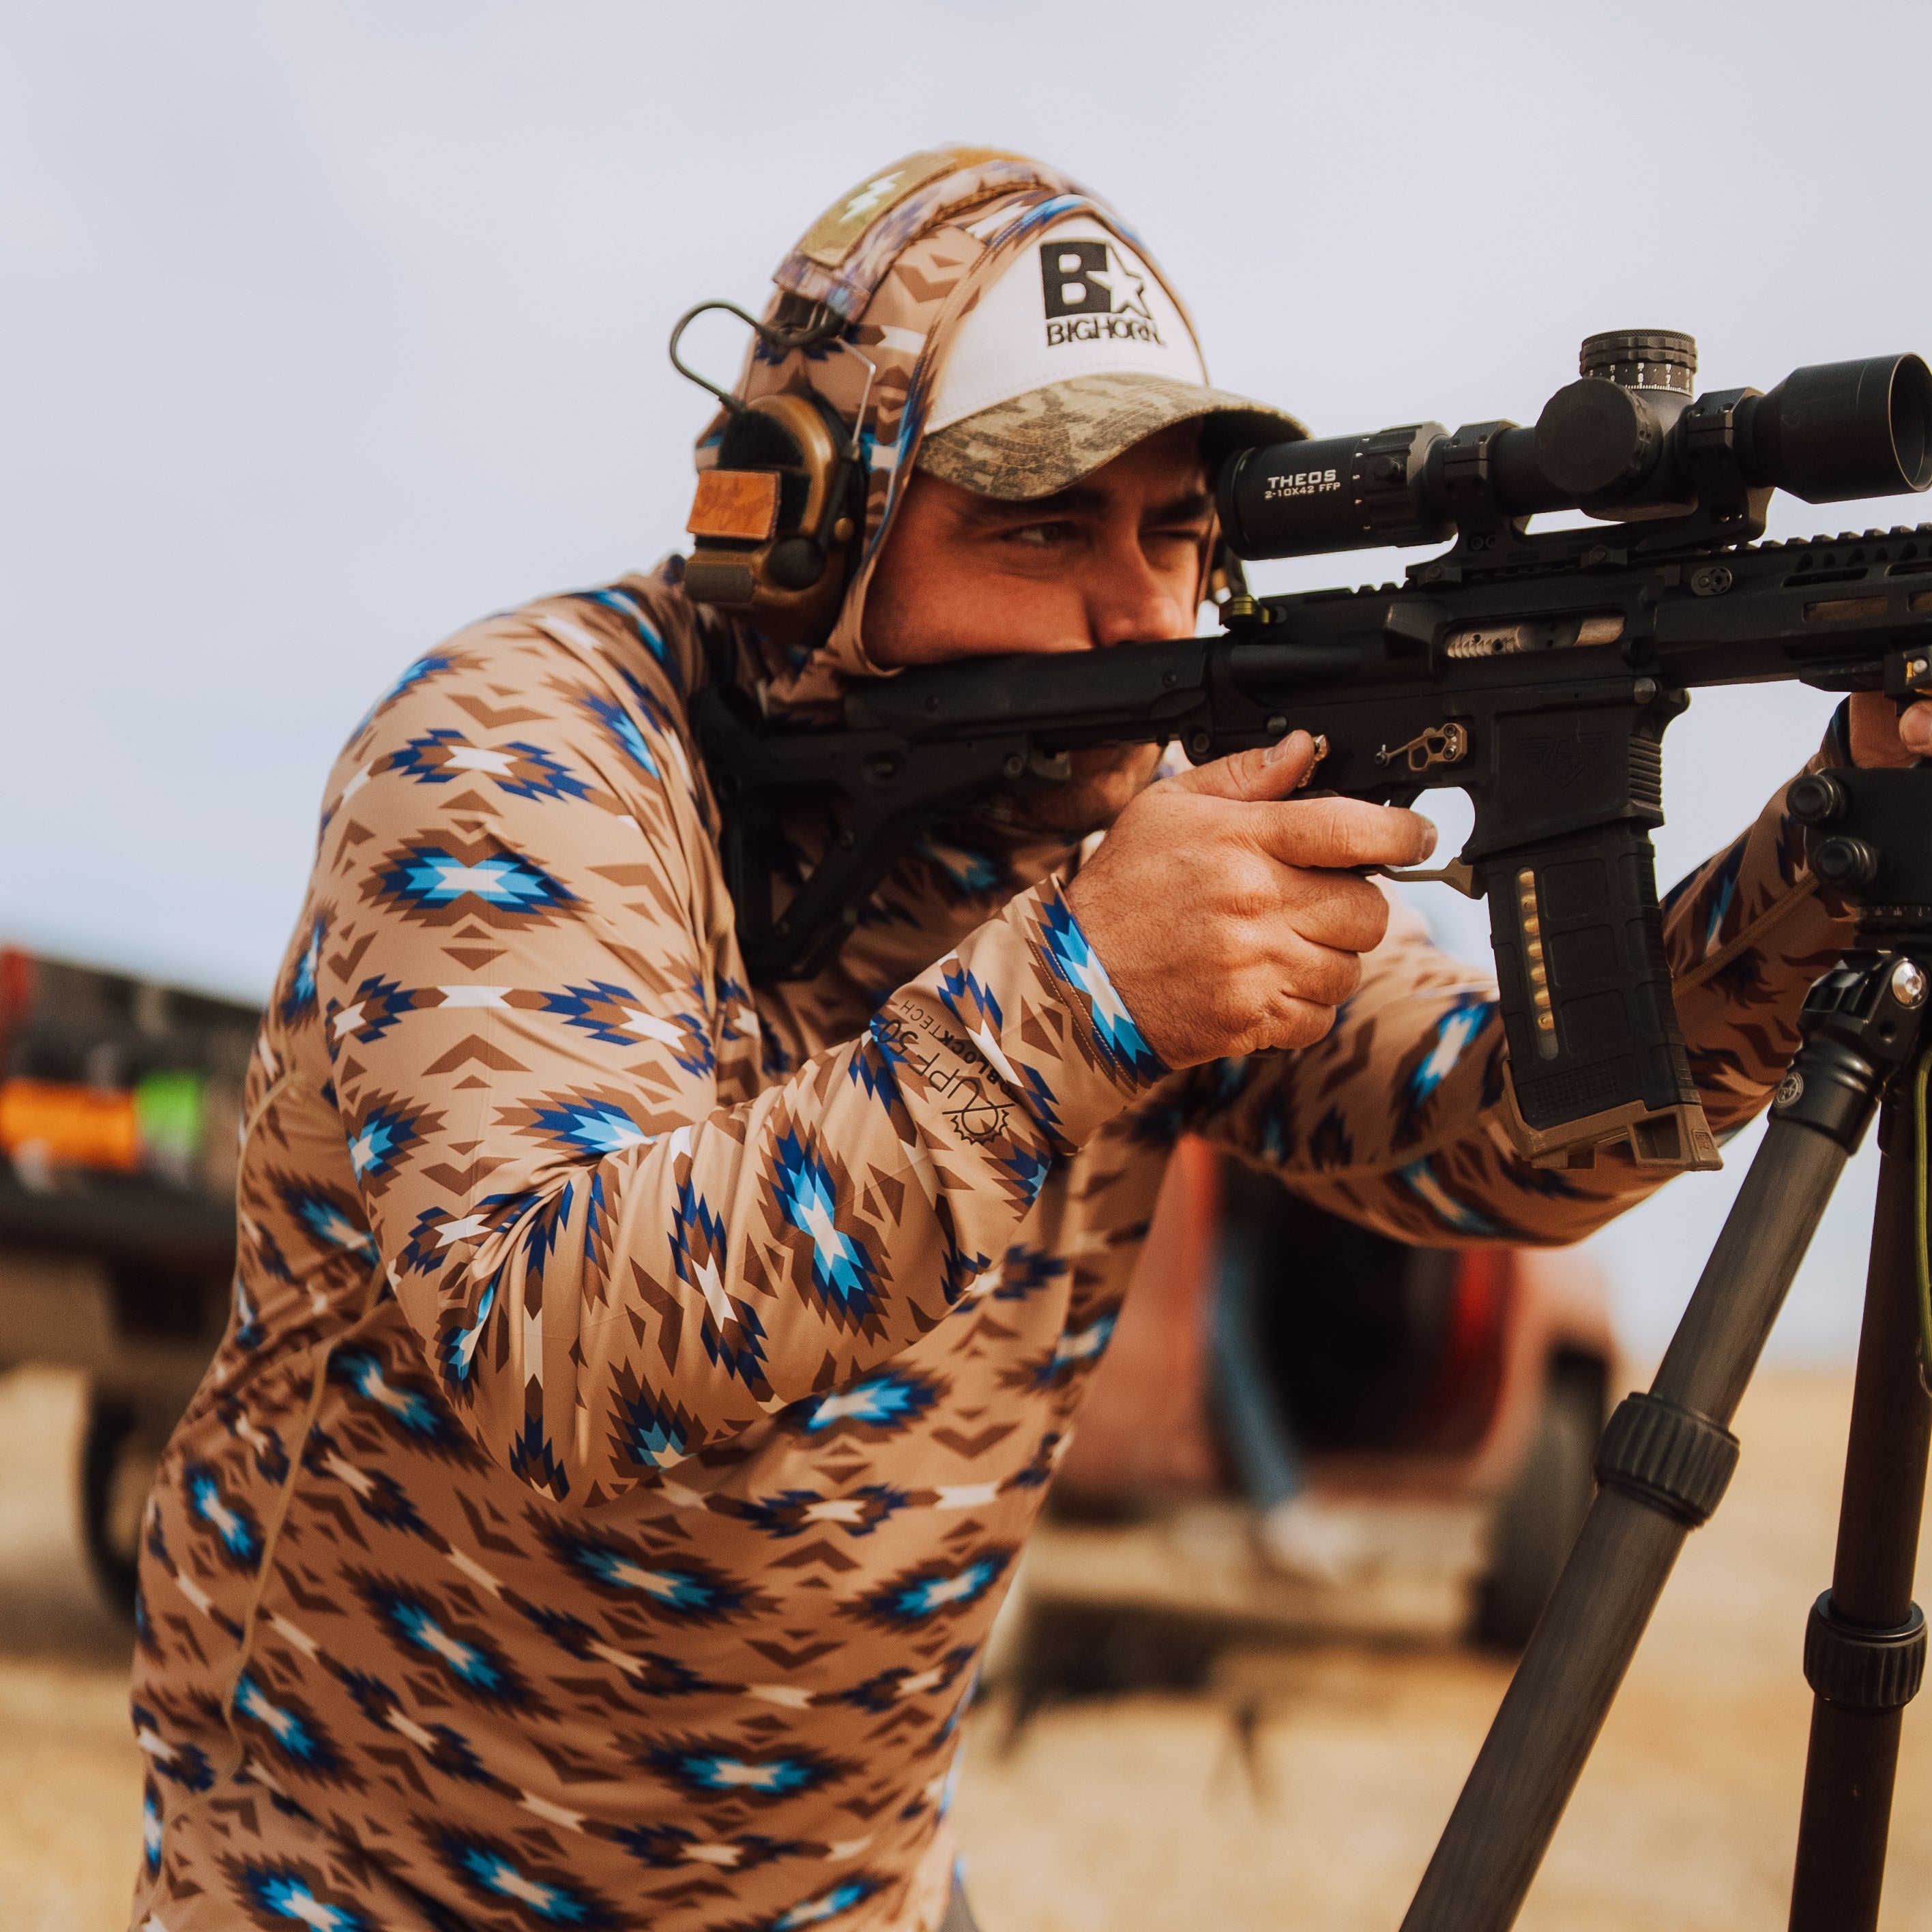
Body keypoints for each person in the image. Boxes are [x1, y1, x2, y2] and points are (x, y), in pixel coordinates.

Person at [128, 145, 1932, 1932]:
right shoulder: (522, 752)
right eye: (1045, 526)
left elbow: (1503, 1125)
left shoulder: (1118, 796)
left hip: (860, 1897)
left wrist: (1830, 849)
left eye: (1180, 534)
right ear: (815, 522)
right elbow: (555, 1347)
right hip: (366, 1892)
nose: (1140, 609)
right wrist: (1080, 993)